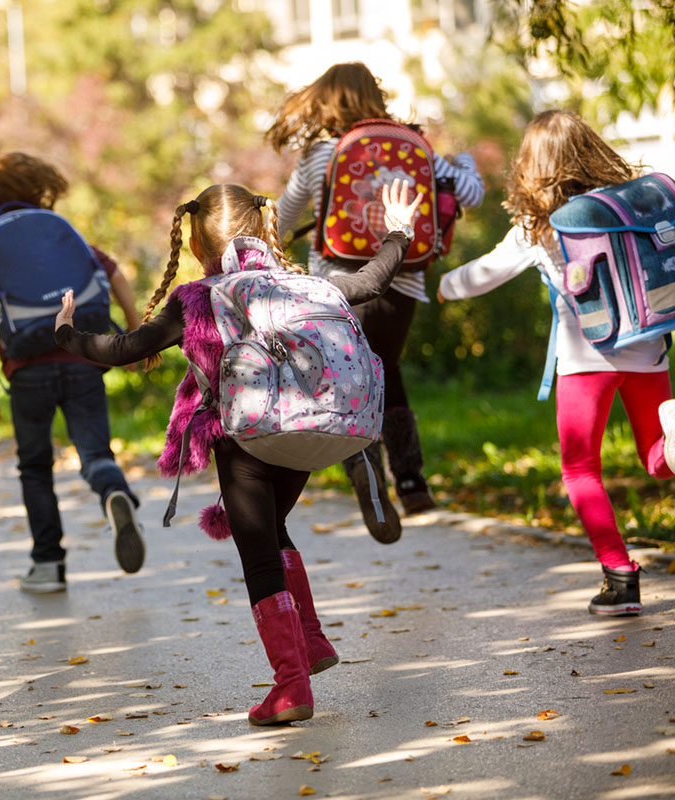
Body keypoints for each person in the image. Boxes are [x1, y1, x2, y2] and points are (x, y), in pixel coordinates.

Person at [54, 180, 422, 725]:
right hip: (317, 429)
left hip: (249, 439)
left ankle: (291, 686)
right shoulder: (302, 283)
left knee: (259, 555)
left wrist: (66, 332)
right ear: (263, 228)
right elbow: (370, 282)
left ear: (198, 245)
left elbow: (124, 349)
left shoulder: (198, 298)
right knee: (273, 530)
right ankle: (313, 642)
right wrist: (398, 231)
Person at [438, 110, 675, 616]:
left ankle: (620, 577)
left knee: (579, 468)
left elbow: (482, 274)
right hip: (648, 347)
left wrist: (437, 287)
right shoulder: (629, 206)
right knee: (658, 457)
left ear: (533, 165)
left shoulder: (540, 226)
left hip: (585, 358)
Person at [269, 61, 486, 542]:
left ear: (326, 103)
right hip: (400, 286)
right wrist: (465, 163)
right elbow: (472, 192)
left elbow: (281, 221)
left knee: (345, 386)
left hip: (336, 290)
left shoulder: (319, 154)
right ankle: (411, 481)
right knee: (386, 368)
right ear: (376, 96)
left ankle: (365, 473)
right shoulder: (418, 146)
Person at [0, 152, 144, 594]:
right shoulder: (60, 232)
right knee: (96, 453)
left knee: (35, 467)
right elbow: (112, 272)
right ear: (35, 186)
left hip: (26, 374)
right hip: (83, 358)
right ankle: (112, 489)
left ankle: (48, 564)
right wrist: (135, 335)